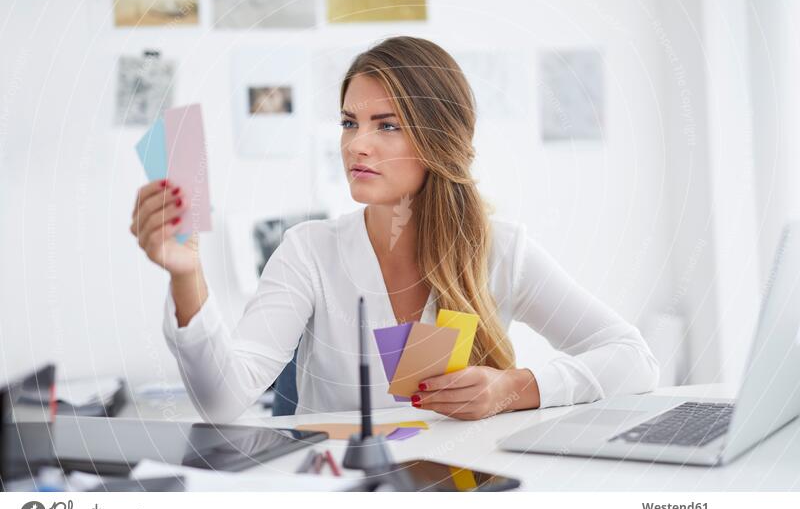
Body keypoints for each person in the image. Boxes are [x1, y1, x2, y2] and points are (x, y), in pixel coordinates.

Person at [129, 36, 659, 424]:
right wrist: (186, 274)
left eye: (387, 125)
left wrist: (516, 388)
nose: (357, 145)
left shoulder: (499, 249)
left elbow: (633, 359)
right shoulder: (309, 251)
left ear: (439, 139)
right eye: (348, 123)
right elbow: (222, 400)